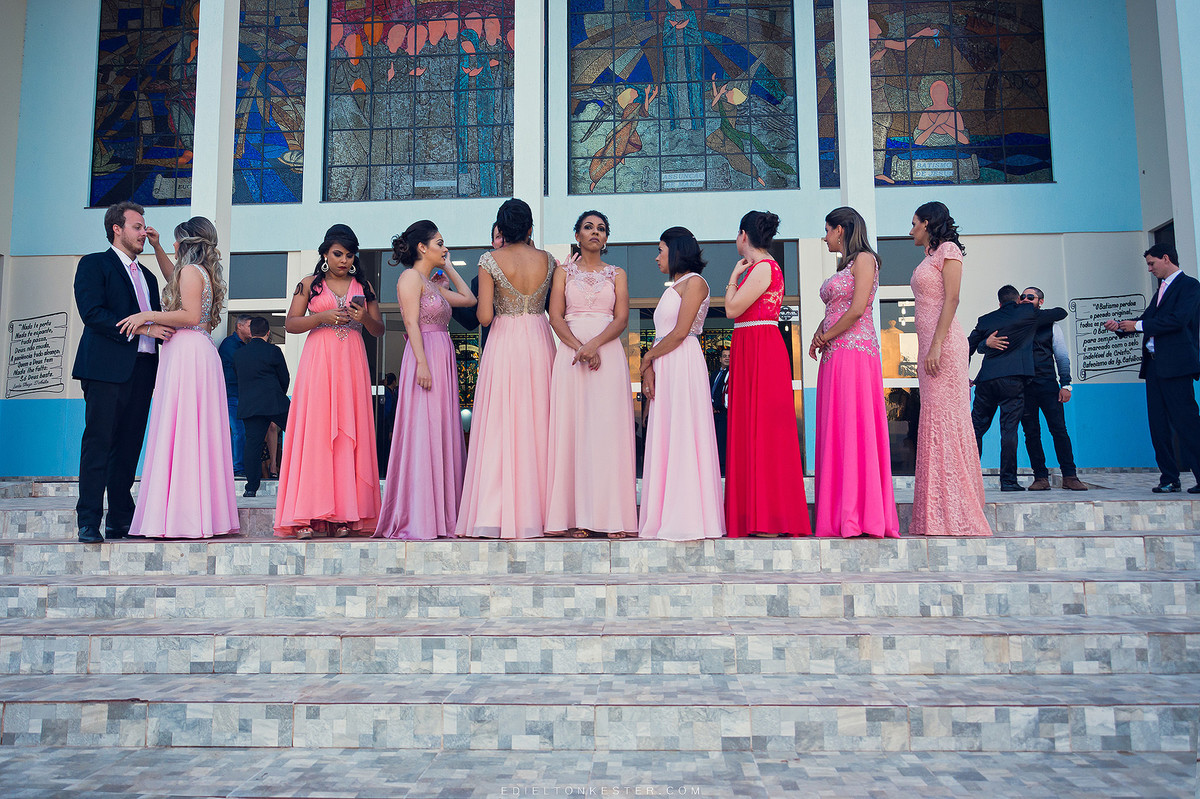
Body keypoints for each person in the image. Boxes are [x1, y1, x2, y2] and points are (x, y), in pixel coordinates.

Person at [120, 216, 239, 538]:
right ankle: (197, 514)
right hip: (195, 353)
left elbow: (187, 314)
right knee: (194, 434)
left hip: (187, 355)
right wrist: (157, 246)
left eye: (175, 241)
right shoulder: (197, 273)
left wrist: (147, 315)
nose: (171, 245)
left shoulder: (190, 272)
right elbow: (173, 278)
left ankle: (180, 517)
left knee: (184, 432)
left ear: (186, 243)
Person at [72, 201, 173, 543]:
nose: (143, 232)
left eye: (145, 226)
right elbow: (93, 313)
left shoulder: (147, 276)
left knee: (129, 447)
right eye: (137, 226)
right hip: (105, 369)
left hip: (144, 369)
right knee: (99, 444)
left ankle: (119, 519)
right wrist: (143, 329)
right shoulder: (94, 264)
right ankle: (88, 520)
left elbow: (159, 316)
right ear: (117, 228)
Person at [274, 224, 384, 538]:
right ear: (325, 253)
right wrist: (320, 317)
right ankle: (308, 513)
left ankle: (344, 515)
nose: (344, 260)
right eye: (338, 254)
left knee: (349, 432)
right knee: (318, 432)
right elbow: (291, 324)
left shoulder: (364, 286)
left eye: (349, 255)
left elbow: (379, 330)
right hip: (318, 362)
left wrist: (364, 319)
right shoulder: (308, 285)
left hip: (351, 360)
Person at [456, 199, 556, 539]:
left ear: (502, 227)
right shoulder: (548, 260)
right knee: (540, 421)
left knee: (502, 423)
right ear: (529, 228)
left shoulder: (489, 260)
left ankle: (498, 510)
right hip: (540, 338)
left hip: (506, 340)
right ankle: (544, 510)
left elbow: (483, 316)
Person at [377, 220, 476, 540]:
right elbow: (410, 321)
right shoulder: (410, 278)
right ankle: (419, 514)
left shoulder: (433, 284)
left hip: (442, 354)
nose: (445, 248)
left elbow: (469, 300)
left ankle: (444, 513)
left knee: (442, 431)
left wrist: (448, 267)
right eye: (440, 243)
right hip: (424, 357)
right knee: (423, 432)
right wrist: (421, 363)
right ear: (423, 247)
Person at [546, 210, 637, 539]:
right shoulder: (562, 273)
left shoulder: (618, 274)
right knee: (573, 433)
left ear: (607, 238)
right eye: (588, 227)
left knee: (606, 434)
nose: (595, 232)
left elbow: (622, 317)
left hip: (607, 356)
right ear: (578, 234)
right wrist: (578, 348)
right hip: (571, 358)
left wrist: (594, 345)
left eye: (601, 228)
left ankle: (612, 517)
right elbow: (555, 316)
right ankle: (577, 517)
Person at [810, 207, 898, 538]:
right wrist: (821, 333)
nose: (825, 236)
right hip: (835, 354)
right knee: (837, 427)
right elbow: (836, 309)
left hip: (854, 353)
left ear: (842, 230)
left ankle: (860, 513)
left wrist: (825, 336)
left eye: (828, 230)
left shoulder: (864, 259)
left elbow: (858, 308)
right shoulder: (846, 264)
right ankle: (837, 513)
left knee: (853, 425)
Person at [722, 210, 811, 537]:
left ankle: (770, 518)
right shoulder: (760, 268)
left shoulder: (762, 268)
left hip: (761, 346)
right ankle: (755, 514)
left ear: (744, 234)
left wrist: (732, 277)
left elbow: (731, 308)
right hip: (750, 344)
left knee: (766, 432)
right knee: (751, 429)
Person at [907, 201, 991, 536]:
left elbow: (952, 299)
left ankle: (957, 507)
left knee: (947, 421)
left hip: (945, 347)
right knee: (934, 421)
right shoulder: (929, 257)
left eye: (914, 223)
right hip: (930, 348)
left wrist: (937, 344)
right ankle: (937, 509)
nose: (910, 229)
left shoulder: (949, 250)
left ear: (927, 223)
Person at [638, 226, 725, 540]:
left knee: (684, 434)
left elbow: (679, 332)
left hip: (683, 361)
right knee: (665, 436)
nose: (656, 257)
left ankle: (688, 516)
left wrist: (647, 358)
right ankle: (663, 514)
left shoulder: (696, 283)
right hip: (666, 363)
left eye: (660, 249)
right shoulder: (671, 287)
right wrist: (650, 367)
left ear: (675, 250)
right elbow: (664, 335)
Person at [1104, 243, 1200, 493]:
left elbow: (1177, 320)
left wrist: (1137, 325)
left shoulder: (1189, 286)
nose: (1149, 269)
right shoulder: (1160, 291)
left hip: (1177, 366)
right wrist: (1122, 327)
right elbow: (1147, 321)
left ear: (1166, 258)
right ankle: (1169, 477)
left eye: (1151, 263)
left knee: (1186, 422)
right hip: (1155, 366)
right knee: (1158, 425)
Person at [966, 285, 1068, 491]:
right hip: (1012, 382)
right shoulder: (1027, 313)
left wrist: (963, 374)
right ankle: (1009, 481)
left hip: (986, 381)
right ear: (1017, 300)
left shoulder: (986, 319)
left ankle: (970, 481)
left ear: (999, 302)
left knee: (976, 429)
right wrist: (1031, 307)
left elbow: (967, 346)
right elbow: (1061, 312)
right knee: (1009, 430)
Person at [984, 286, 1087, 491]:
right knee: (1031, 433)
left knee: (1059, 430)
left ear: (1040, 302)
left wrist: (1066, 384)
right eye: (1022, 297)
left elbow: (1062, 357)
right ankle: (1040, 477)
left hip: (1048, 385)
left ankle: (1070, 475)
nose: (1025, 299)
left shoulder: (1052, 326)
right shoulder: (1016, 324)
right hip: (1023, 387)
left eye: (1030, 297)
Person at [233, 316, 290, 498]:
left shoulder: (239, 353)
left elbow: (239, 377)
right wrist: (279, 394)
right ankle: (303, 478)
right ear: (268, 332)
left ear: (251, 332)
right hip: (275, 402)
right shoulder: (274, 351)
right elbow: (285, 377)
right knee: (298, 436)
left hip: (251, 406)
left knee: (253, 445)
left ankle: (251, 488)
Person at [218, 314, 252, 477]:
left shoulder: (244, 345)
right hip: (231, 394)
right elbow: (242, 366)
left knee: (242, 431)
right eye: (249, 326)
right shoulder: (230, 345)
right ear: (239, 326)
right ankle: (237, 469)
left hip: (242, 395)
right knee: (238, 431)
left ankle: (239, 467)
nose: (252, 330)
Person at [711, 345, 730, 473]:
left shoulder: (732, 373)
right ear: (720, 359)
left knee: (723, 440)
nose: (727, 358)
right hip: (712, 413)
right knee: (714, 439)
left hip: (724, 413)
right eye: (724, 356)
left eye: (729, 356)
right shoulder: (715, 374)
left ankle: (723, 468)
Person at [377, 372, 399, 476]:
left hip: (384, 425)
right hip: (386, 426)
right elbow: (389, 412)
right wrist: (390, 429)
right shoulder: (389, 394)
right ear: (394, 381)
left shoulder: (389, 392)